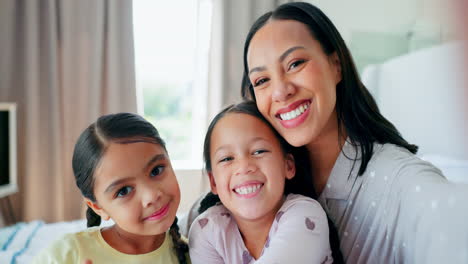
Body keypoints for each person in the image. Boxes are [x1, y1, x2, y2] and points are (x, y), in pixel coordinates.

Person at [240, 2, 468, 263]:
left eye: (295, 64)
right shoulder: (262, 178)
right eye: (262, 80)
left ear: (336, 65)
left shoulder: (401, 181)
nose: (281, 91)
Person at [188, 101, 338, 264]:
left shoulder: (305, 215)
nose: (244, 167)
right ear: (214, 182)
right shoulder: (206, 230)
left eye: (259, 151)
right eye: (227, 159)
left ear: (288, 165)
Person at [33, 113, 189, 264]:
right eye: (124, 191)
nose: (151, 196)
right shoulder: (66, 254)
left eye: (156, 170)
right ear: (98, 207)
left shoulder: (196, 252)